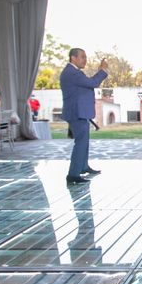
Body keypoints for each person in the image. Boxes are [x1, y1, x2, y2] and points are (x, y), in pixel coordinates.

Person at [60, 48, 108, 184]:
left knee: (84, 142)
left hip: (80, 112)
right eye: (82, 57)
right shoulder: (72, 73)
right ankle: (73, 175)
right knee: (80, 142)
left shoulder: (74, 73)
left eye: (85, 57)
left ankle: (83, 166)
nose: (85, 60)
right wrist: (103, 71)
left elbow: (87, 84)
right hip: (76, 113)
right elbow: (93, 83)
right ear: (73, 58)